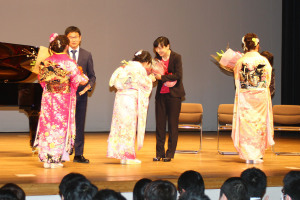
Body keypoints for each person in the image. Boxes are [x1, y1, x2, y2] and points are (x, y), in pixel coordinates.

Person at [34, 34, 89, 168]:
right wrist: (84, 78)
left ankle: (47, 158)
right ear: (66, 46)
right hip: (63, 99)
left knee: (47, 126)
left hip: (49, 97)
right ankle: (55, 159)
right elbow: (78, 80)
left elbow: (42, 80)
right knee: (59, 127)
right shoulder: (69, 62)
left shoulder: (46, 61)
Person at [231, 33, 274, 164]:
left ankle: (248, 154)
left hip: (245, 97)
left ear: (245, 46)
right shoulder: (264, 61)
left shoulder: (241, 61)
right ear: (257, 45)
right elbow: (267, 80)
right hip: (260, 97)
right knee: (259, 123)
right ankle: (258, 154)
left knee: (246, 124)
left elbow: (237, 82)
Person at [107, 50, 155, 164]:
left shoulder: (126, 66)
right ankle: (128, 157)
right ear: (147, 62)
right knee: (129, 127)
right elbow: (145, 84)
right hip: (130, 100)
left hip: (120, 99)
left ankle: (123, 155)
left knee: (120, 126)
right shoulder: (138, 69)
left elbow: (118, 83)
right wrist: (151, 80)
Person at [65, 26, 96, 164]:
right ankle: (63, 152)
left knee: (79, 125)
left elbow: (92, 76)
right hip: (64, 96)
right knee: (64, 125)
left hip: (81, 95)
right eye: (70, 37)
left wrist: (88, 86)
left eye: (75, 37)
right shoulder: (62, 54)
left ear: (80, 38)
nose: (73, 40)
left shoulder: (86, 54)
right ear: (66, 39)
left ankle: (78, 154)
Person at [152, 36, 185, 162]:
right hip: (161, 95)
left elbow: (178, 75)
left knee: (172, 125)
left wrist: (162, 77)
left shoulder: (176, 57)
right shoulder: (156, 59)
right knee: (160, 125)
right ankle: (159, 153)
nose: (159, 50)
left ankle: (170, 153)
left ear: (168, 46)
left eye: (161, 48)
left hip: (174, 95)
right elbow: (155, 76)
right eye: (157, 48)